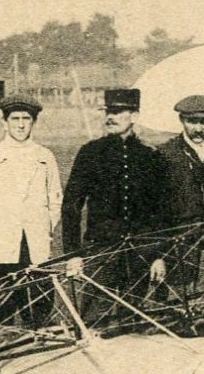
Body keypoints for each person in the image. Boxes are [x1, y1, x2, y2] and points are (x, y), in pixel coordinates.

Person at [62, 88, 171, 299]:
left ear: (135, 116)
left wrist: (159, 255)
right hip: (101, 251)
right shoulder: (90, 153)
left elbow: (161, 212)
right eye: (108, 111)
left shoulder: (151, 156)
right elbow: (71, 206)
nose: (110, 117)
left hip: (140, 253)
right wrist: (74, 254)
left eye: (118, 112)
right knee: (95, 319)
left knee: (132, 319)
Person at [0, 95, 63, 322]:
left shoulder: (45, 156)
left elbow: (55, 200)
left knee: (39, 308)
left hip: (35, 246)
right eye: (15, 118)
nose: (20, 124)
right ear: (4, 122)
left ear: (33, 122)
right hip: (0, 248)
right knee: (0, 312)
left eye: (26, 119)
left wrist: (43, 229)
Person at [155, 94, 204, 331]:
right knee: (178, 305)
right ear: (182, 121)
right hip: (179, 241)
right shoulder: (166, 154)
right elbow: (155, 207)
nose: (198, 128)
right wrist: (160, 251)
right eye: (192, 122)